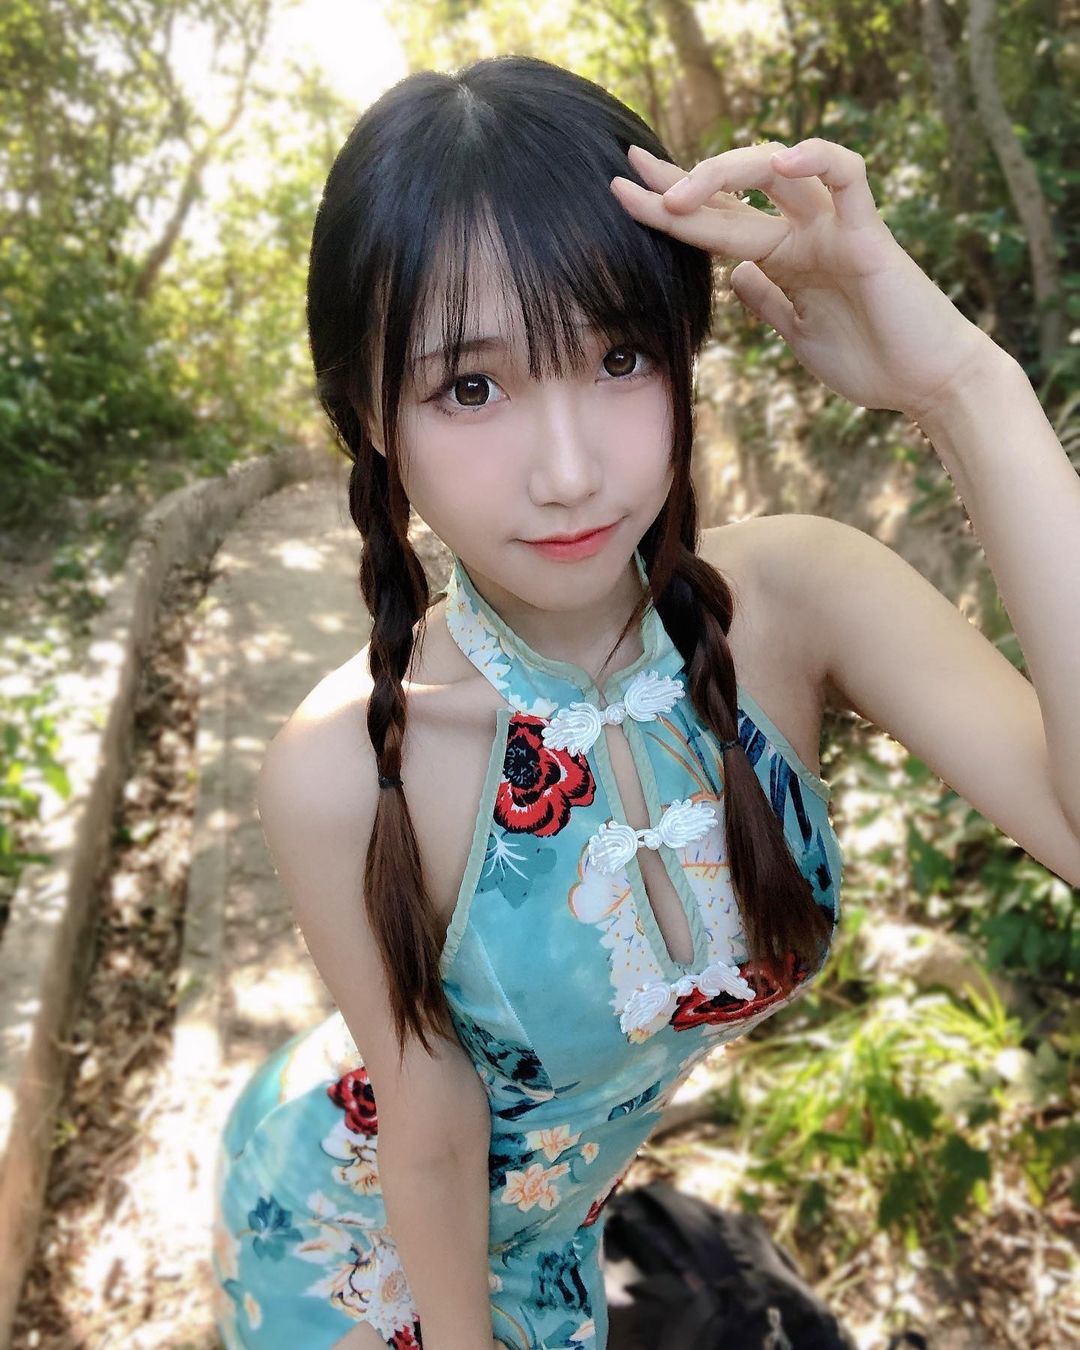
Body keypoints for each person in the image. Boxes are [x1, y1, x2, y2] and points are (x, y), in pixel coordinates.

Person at [210, 53, 841, 1350]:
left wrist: (960, 384)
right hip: (354, 1232)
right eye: (472, 386)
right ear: (370, 415)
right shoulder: (340, 767)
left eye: (619, 355)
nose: (566, 472)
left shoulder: (794, 603)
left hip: (554, 1225)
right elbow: (430, 1125)